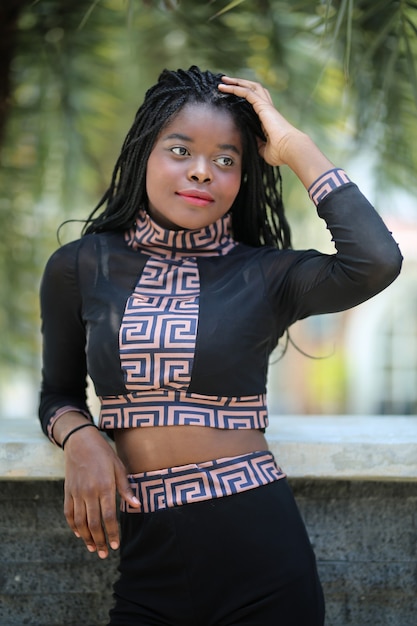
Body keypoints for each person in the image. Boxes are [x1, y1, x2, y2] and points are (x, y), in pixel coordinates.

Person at [38, 66, 402, 626]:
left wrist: (294, 144)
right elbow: (58, 393)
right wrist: (81, 436)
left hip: (263, 559)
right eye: (180, 150)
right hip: (147, 565)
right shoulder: (81, 266)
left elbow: (376, 261)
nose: (202, 171)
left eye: (227, 160)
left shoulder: (266, 275)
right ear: (143, 154)